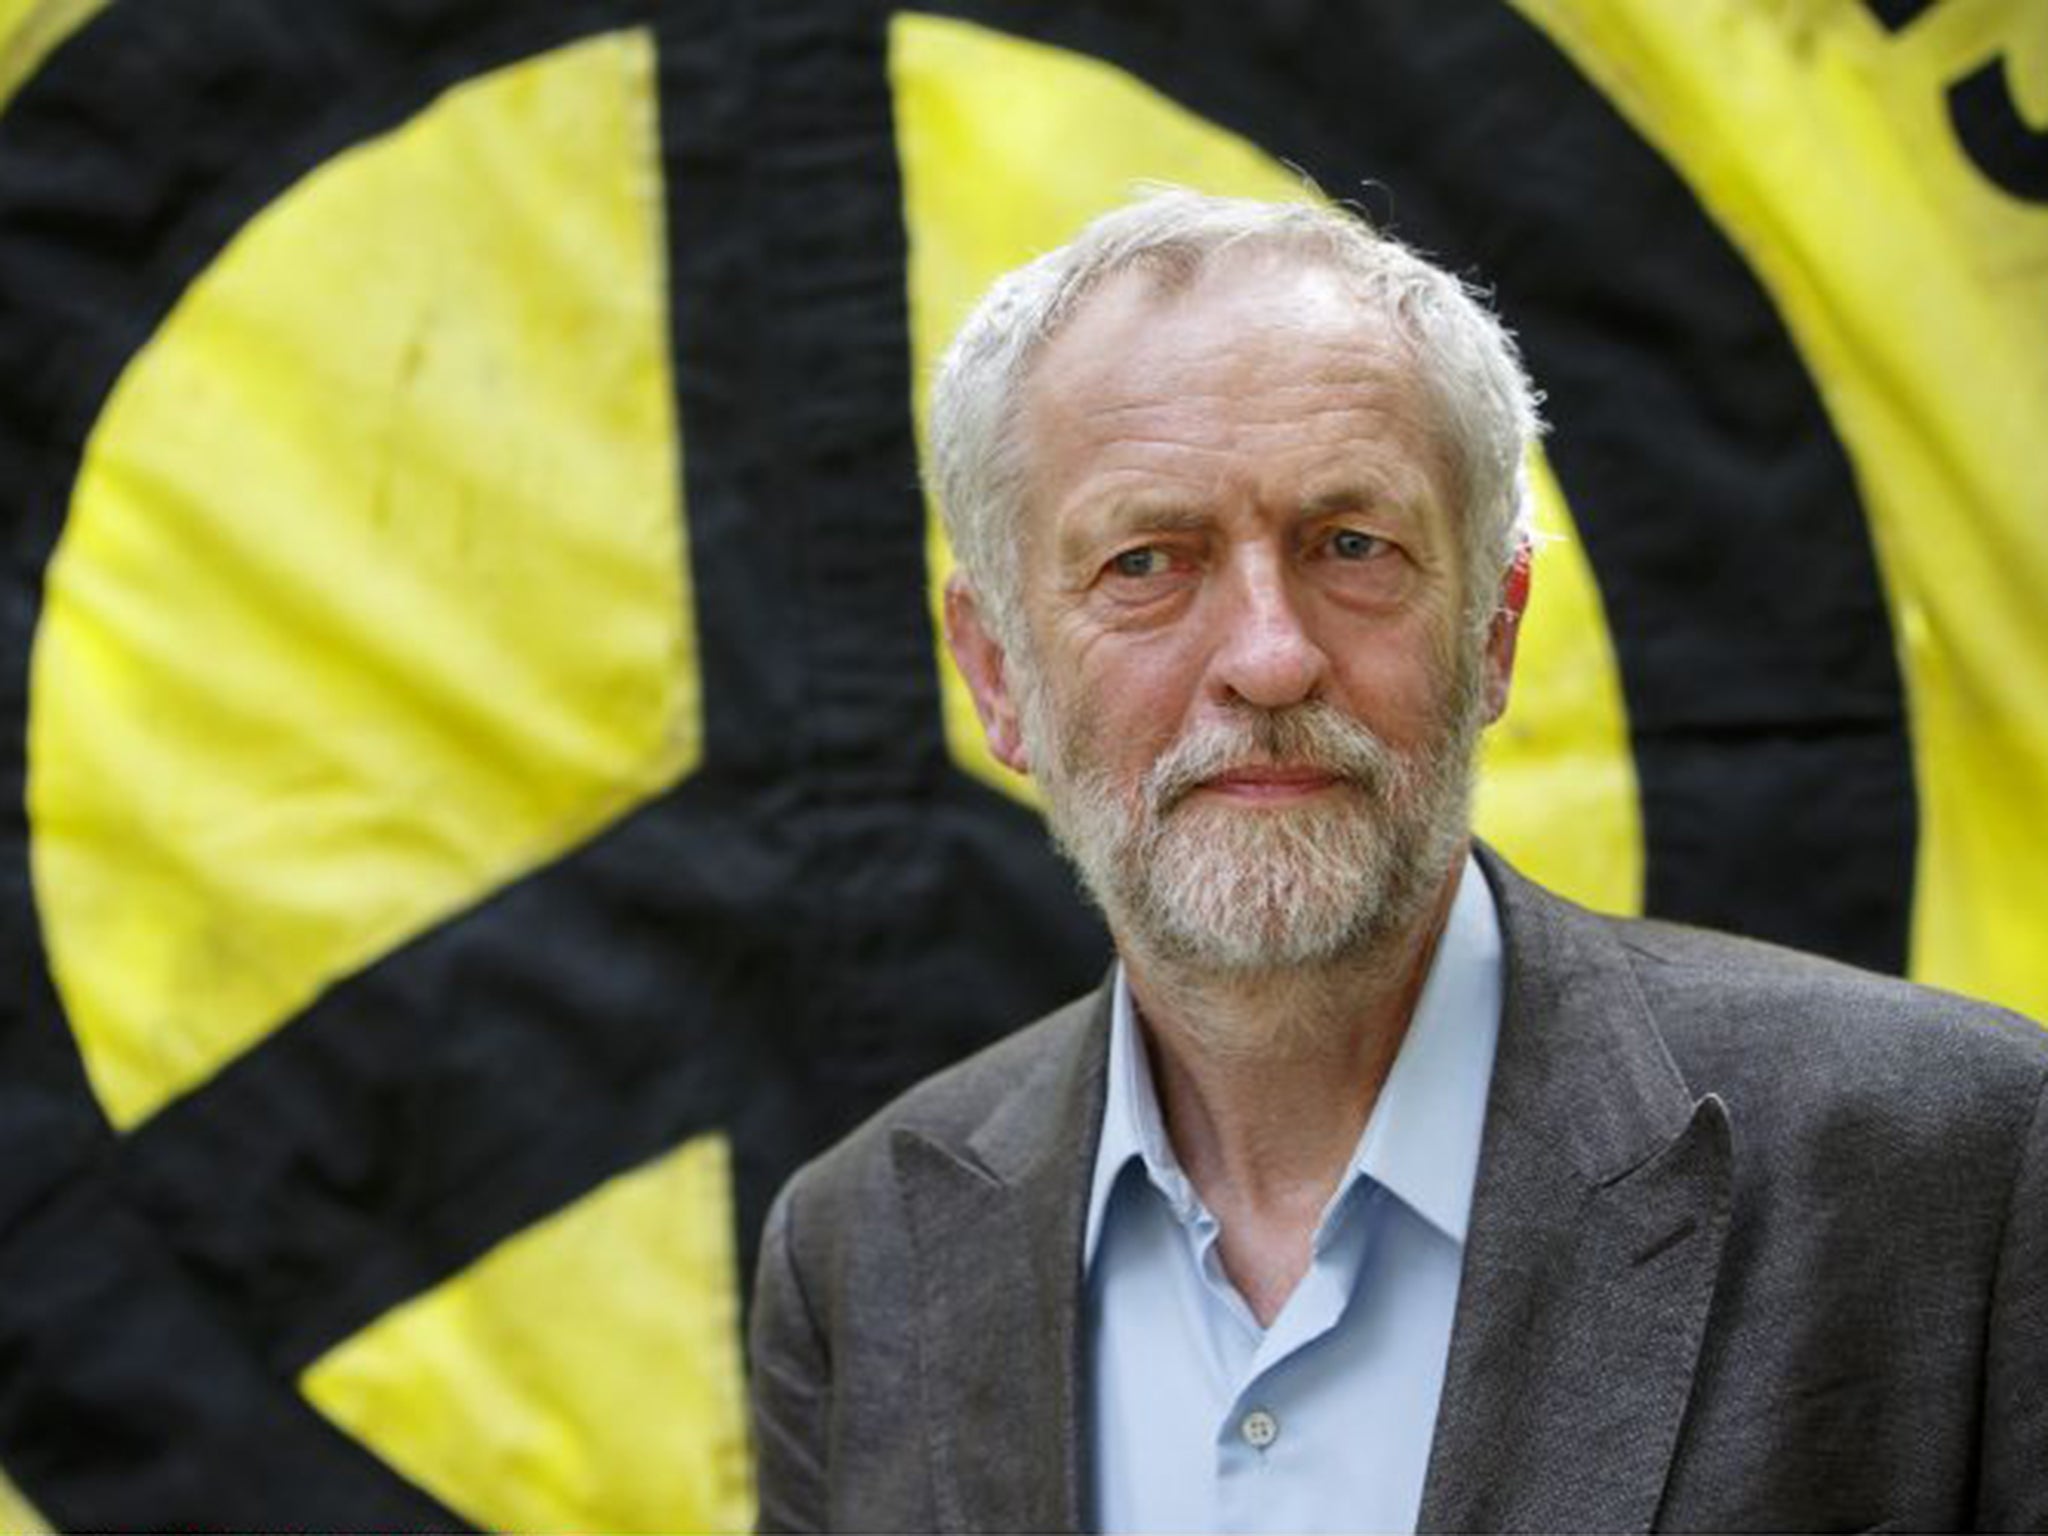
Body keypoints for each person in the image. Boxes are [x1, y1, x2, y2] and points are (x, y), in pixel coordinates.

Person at [746, 191, 2048, 1533]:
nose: (1268, 657)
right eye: (1147, 562)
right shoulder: (859, 1263)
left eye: (1351, 546)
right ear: (994, 670)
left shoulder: (1958, 1174)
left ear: (1493, 627)